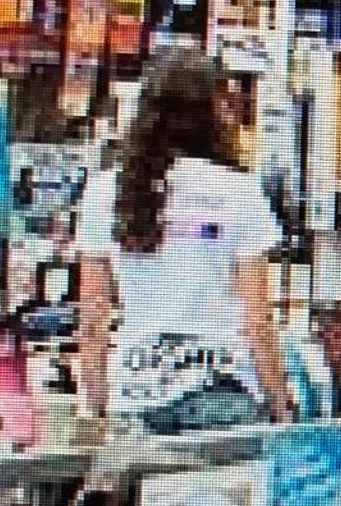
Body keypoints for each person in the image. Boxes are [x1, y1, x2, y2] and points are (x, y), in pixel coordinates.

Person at [77, 50, 292, 435]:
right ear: (214, 112)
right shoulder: (240, 193)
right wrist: (279, 403)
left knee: (146, 497)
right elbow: (258, 318)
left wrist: (95, 407)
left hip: (137, 391)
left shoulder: (105, 192)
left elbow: (93, 318)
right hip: (221, 388)